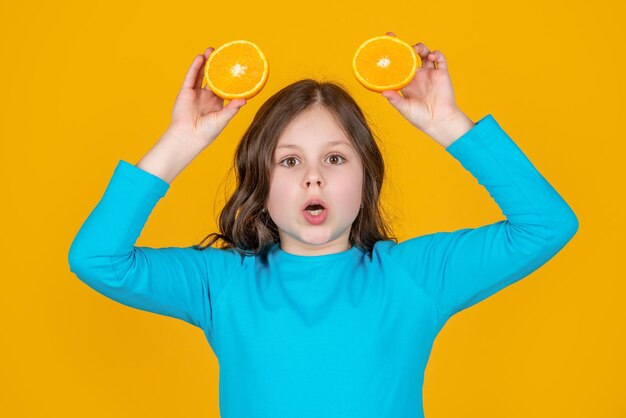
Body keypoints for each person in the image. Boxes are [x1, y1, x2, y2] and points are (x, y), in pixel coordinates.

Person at [68, 33, 579, 418]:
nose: (313, 178)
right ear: (262, 182)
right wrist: (181, 140)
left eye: (335, 160)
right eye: (289, 162)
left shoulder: (413, 276)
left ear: (365, 178)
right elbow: (96, 260)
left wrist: (448, 124)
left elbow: (546, 224)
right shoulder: (222, 282)